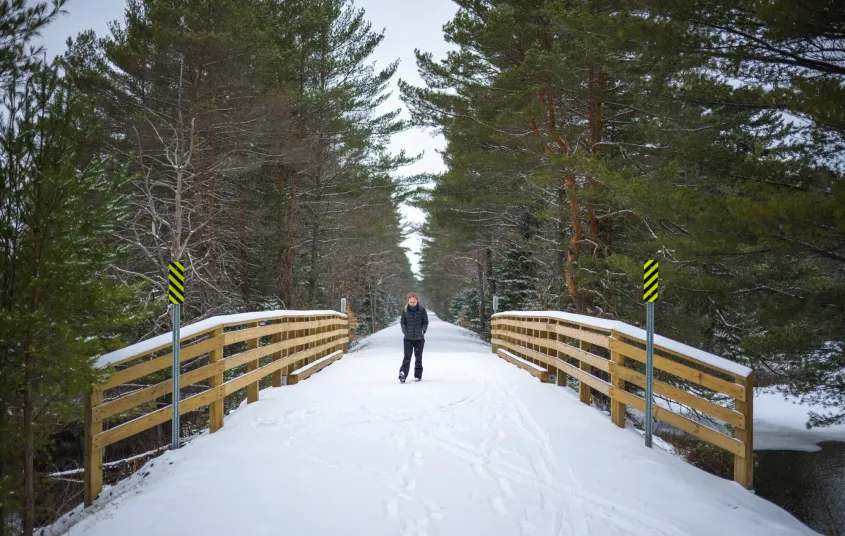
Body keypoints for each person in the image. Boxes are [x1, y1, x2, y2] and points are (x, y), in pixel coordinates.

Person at [399, 292, 428, 383]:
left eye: (414, 302)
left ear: (417, 301)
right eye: (410, 302)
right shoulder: (405, 310)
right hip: (408, 339)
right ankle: (403, 374)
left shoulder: (422, 310)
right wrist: (404, 331)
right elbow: (403, 322)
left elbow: (425, 322)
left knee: (418, 357)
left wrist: (423, 330)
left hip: (419, 339)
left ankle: (417, 376)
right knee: (407, 357)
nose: (412, 303)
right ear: (408, 301)